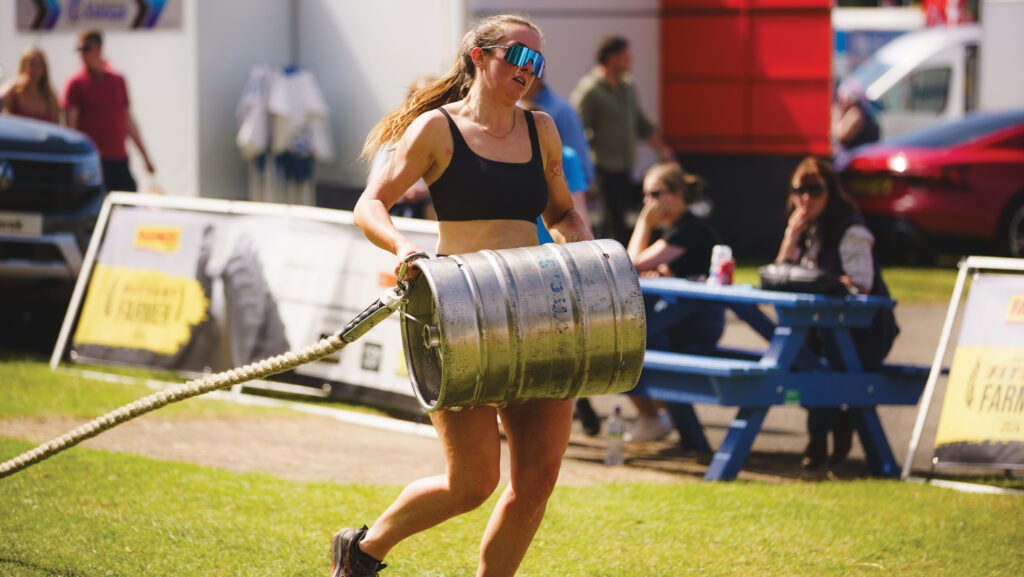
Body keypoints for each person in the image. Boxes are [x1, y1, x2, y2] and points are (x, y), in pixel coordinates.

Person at [341, 14, 592, 577]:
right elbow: (369, 205)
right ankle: (362, 551)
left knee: (537, 483)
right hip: (461, 318)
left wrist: (588, 252)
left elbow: (562, 213)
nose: (529, 71)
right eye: (519, 57)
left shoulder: (542, 129)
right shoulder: (437, 129)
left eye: (539, 62)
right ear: (480, 56)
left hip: (538, 316)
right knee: (473, 482)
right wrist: (405, 248)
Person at [776, 156, 899, 470]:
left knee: (819, 366)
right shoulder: (804, 228)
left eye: (815, 190)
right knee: (790, 363)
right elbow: (779, 276)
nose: (806, 198)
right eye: (799, 190)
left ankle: (819, 439)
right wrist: (791, 237)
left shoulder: (851, 229)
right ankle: (838, 423)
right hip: (819, 332)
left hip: (863, 334)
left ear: (831, 191)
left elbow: (863, 286)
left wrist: (829, 283)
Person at [625, 161, 725, 442]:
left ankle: (658, 420)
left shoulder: (689, 230)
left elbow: (629, 264)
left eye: (655, 195)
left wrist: (643, 224)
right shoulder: (675, 229)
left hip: (699, 323)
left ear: (677, 194)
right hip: (680, 317)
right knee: (629, 346)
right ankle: (662, 419)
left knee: (632, 347)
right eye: (645, 196)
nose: (648, 203)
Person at [570, 35, 673, 245]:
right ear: (611, 58)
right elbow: (577, 130)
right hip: (603, 168)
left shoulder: (628, 86)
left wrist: (663, 152)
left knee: (620, 220)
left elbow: (642, 123)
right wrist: (582, 168)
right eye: (625, 57)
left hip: (626, 166)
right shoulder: (590, 90)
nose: (630, 61)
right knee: (612, 220)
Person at [64, 29, 155, 192]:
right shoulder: (75, 83)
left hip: (119, 159)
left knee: (128, 207)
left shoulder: (118, 80)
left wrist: (146, 157)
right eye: (79, 50)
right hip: (92, 162)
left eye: (86, 49)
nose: (82, 54)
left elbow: (128, 121)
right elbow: (71, 128)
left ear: (99, 48)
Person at [368, 75, 438, 220]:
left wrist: (426, 192)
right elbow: (374, 183)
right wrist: (403, 192)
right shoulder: (394, 134)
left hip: (432, 212)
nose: (422, 101)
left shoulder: (446, 134)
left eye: (430, 96)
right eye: (417, 95)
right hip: (397, 210)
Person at [0, 46, 62, 124]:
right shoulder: (15, 93)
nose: (36, 69)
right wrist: (15, 82)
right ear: (23, 66)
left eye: (40, 65)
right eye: (32, 64)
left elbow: (57, 124)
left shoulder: (50, 96)